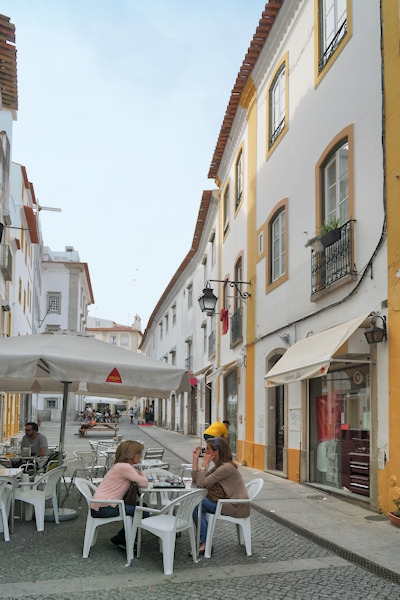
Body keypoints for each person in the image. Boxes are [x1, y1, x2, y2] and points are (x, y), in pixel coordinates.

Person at [191, 436, 249, 555]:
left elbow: (201, 483)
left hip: (235, 506)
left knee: (197, 504)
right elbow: (197, 480)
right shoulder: (220, 466)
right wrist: (195, 460)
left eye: (207, 449)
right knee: (197, 505)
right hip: (229, 503)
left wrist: (204, 464)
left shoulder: (226, 468)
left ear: (216, 451)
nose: (205, 452)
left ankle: (205, 543)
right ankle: (205, 542)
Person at [90, 440, 148, 549]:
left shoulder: (120, 466)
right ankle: (126, 540)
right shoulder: (124, 467)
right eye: (139, 453)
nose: (140, 456)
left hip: (102, 505)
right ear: (130, 454)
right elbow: (144, 483)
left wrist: (139, 474)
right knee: (143, 511)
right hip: (105, 507)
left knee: (142, 507)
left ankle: (121, 538)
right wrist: (143, 475)